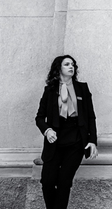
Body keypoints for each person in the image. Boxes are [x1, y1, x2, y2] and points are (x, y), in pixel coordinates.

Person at [35, 55, 97, 209]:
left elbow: (90, 117)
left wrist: (92, 141)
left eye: (73, 64)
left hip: (76, 140)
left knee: (64, 182)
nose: (71, 67)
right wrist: (47, 130)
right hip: (54, 139)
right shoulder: (50, 90)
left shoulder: (82, 88)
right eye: (67, 64)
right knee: (48, 182)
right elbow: (39, 117)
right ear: (59, 68)